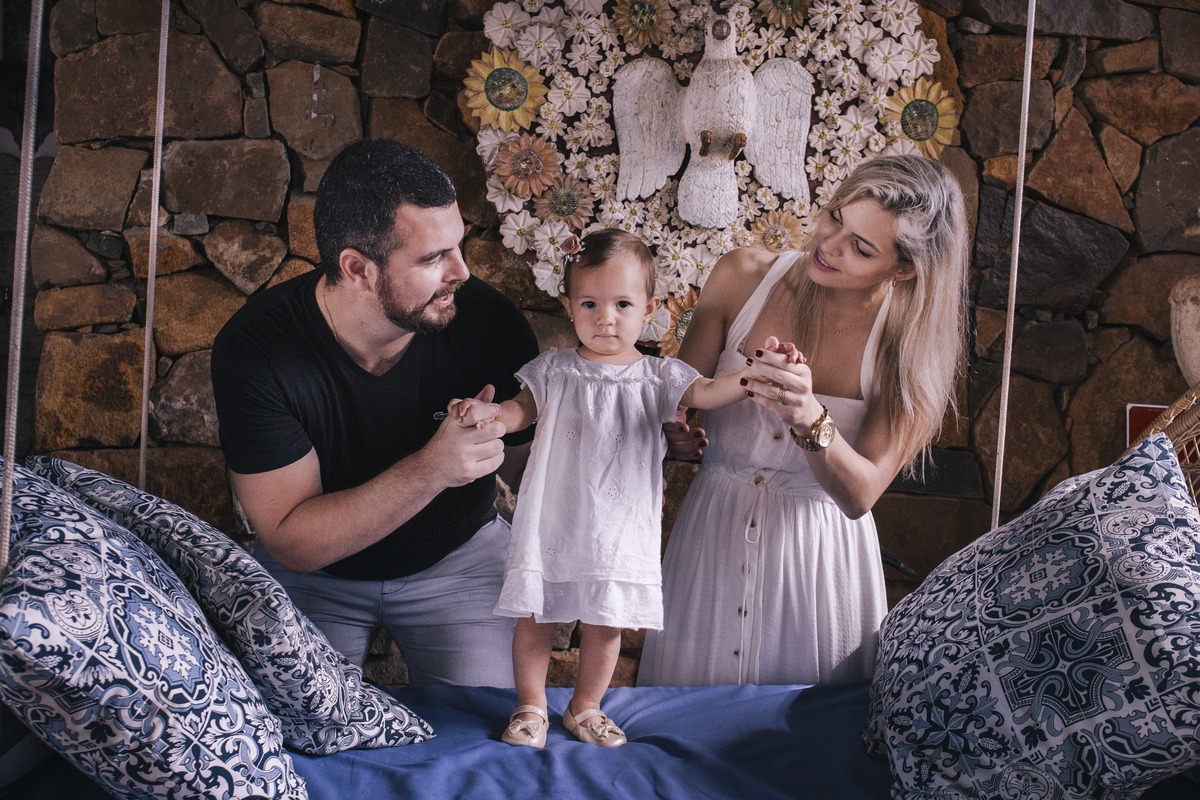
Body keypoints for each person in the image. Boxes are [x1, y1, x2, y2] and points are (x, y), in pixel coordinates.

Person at [210, 138, 539, 686]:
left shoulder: (490, 322)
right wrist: (433, 469)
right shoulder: (257, 349)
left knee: (496, 722)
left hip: (460, 557)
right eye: (433, 258)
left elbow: (528, 463)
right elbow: (291, 541)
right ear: (358, 268)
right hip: (317, 576)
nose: (461, 271)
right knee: (294, 725)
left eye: (458, 245)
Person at [638, 154, 970, 687]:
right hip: (711, 538)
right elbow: (675, 400)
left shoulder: (907, 344)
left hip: (819, 564)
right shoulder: (741, 277)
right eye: (835, 216)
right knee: (680, 713)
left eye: (861, 247)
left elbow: (860, 495)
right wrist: (671, 436)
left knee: (807, 729)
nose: (829, 245)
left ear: (904, 268)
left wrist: (808, 415)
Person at [450, 230, 756, 748]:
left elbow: (707, 391)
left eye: (622, 304)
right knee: (536, 612)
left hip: (620, 521)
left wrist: (755, 376)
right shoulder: (554, 369)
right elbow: (520, 410)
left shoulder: (659, 376)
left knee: (606, 620)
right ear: (568, 306)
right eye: (589, 303)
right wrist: (489, 413)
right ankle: (530, 706)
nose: (605, 318)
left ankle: (586, 707)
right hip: (555, 514)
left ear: (650, 309)